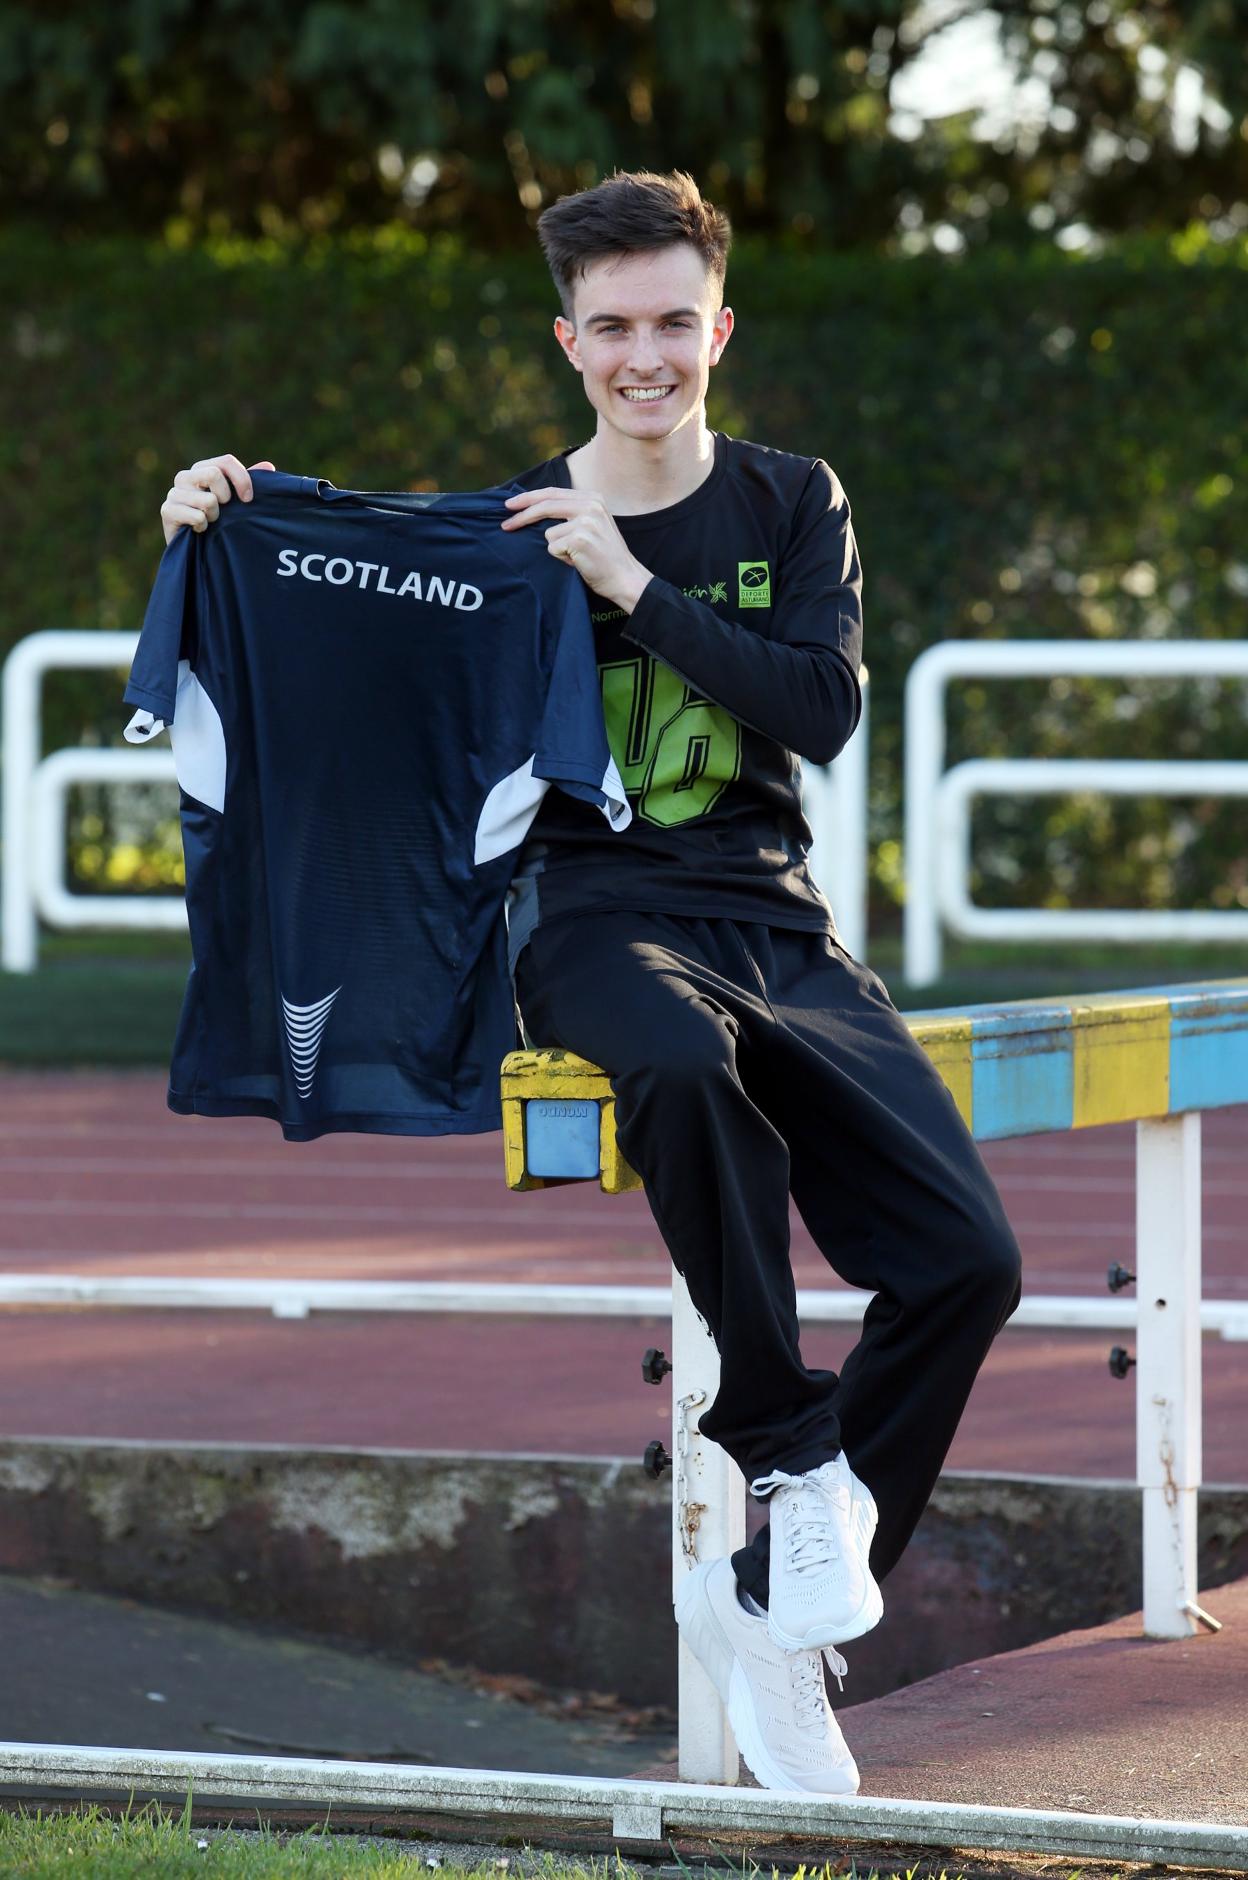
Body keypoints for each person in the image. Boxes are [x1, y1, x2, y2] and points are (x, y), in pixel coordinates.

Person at [158, 167, 1023, 1797]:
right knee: (689, 1080)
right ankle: (785, 1443)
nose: (647, 355)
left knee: (971, 1263)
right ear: (569, 339)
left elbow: (822, 712)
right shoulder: (506, 533)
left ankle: (776, 1603)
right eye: (613, 326)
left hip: (777, 918)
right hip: (592, 924)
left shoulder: (790, 501)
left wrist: (630, 583)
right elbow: (347, 635)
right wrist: (227, 524)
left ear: (720, 326)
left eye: (674, 323)